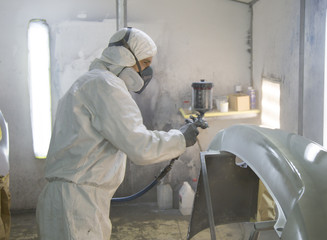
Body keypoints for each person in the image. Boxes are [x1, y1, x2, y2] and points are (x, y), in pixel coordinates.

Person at [36, 27, 200, 239]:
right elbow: (139, 145)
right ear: (127, 56)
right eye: (146, 63)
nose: (148, 72)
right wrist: (180, 137)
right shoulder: (106, 85)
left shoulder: (87, 82)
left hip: (69, 198)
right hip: (76, 205)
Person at [0, 110, 10, 240]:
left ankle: (5, 236)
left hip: (4, 173)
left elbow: (4, 126)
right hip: (4, 171)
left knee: (5, 209)